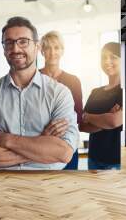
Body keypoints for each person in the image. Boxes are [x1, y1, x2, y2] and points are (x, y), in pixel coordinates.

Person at [0, 16, 79, 170]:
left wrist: (5, 139)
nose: (15, 49)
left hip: (46, 187)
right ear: (4, 49)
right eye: (9, 43)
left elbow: (64, 153)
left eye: (23, 41)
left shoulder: (59, 93)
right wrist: (41, 144)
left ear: (37, 46)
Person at [40, 31, 83, 170]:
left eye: (56, 47)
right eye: (47, 48)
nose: (52, 52)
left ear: (62, 51)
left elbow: (78, 115)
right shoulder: (33, 78)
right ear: (41, 51)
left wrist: (58, 128)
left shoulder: (73, 81)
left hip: (67, 143)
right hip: (40, 142)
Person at [79, 42, 122, 170]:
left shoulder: (125, 91)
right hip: (94, 159)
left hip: (117, 161)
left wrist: (88, 116)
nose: (107, 61)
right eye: (104, 57)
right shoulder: (95, 92)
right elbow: (82, 125)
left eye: (113, 57)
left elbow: (114, 121)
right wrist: (106, 120)